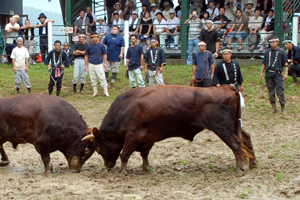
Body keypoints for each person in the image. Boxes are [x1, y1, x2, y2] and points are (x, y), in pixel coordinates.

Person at [260, 36, 288, 114]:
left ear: (277, 42)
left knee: (280, 91)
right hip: (269, 73)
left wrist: (286, 73)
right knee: (271, 91)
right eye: (271, 42)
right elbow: (264, 63)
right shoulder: (267, 52)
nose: (272, 44)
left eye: (274, 42)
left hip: (277, 73)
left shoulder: (282, 52)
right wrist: (261, 72)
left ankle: (283, 108)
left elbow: (286, 63)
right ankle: (273, 108)